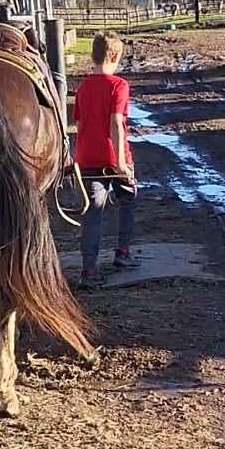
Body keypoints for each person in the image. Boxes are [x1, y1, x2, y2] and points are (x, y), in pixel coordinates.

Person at [74, 31, 137, 288]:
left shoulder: (83, 86)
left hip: (87, 157)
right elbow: (116, 123)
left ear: (93, 55)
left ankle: (88, 271)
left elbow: (78, 124)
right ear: (115, 56)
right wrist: (121, 163)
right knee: (128, 199)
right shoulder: (118, 86)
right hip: (114, 156)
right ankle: (122, 253)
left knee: (93, 213)